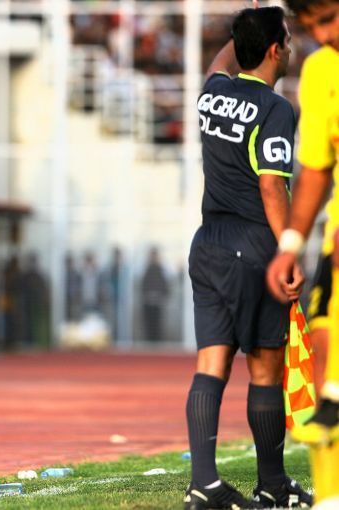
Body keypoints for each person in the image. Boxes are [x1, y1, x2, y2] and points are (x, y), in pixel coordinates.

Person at [184, 7, 312, 509]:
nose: (291, 47)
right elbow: (271, 186)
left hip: (208, 242)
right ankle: (272, 484)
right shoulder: (276, 108)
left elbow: (220, 63)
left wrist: (244, 32)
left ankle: (204, 484)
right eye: (287, 40)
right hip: (254, 244)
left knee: (210, 364)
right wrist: (288, 250)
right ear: (277, 50)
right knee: (264, 368)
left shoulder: (212, 92)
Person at [267, 0, 339, 448]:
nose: (324, 35)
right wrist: (290, 245)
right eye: (312, 28)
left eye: (329, 19)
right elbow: (315, 168)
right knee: (323, 340)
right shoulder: (319, 71)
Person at [140, 247, 169, 342]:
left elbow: (165, 287)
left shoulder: (161, 270)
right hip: (148, 303)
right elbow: (143, 286)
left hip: (157, 304)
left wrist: (160, 297)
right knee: (148, 326)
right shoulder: (146, 270)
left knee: (157, 326)